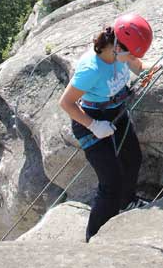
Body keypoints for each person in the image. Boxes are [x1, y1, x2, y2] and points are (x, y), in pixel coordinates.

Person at [59, 13, 155, 242]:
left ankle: (127, 201)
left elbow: (140, 66)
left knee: (133, 159)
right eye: (129, 53)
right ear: (116, 47)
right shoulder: (91, 69)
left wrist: (160, 66)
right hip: (90, 119)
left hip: (116, 112)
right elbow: (66, 103)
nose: (131, 57)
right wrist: (94, 126)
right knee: (110, 182)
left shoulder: (121, 51)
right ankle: (94, 236)